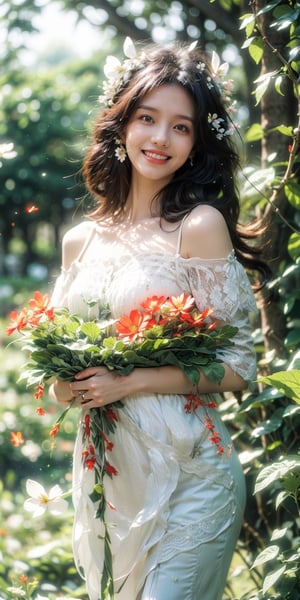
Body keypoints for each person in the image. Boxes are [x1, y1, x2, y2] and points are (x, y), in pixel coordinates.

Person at [49, 38, 269, 600]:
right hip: (114, 477)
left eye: (181, 126)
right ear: (122, 124)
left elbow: (240, 365)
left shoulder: (197, 226)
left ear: (196, 143)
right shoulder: (79, 241)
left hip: (192, 474)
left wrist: (132, 381)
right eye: (148, 118)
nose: (160, 138)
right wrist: (66, 386)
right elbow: (56, 378)